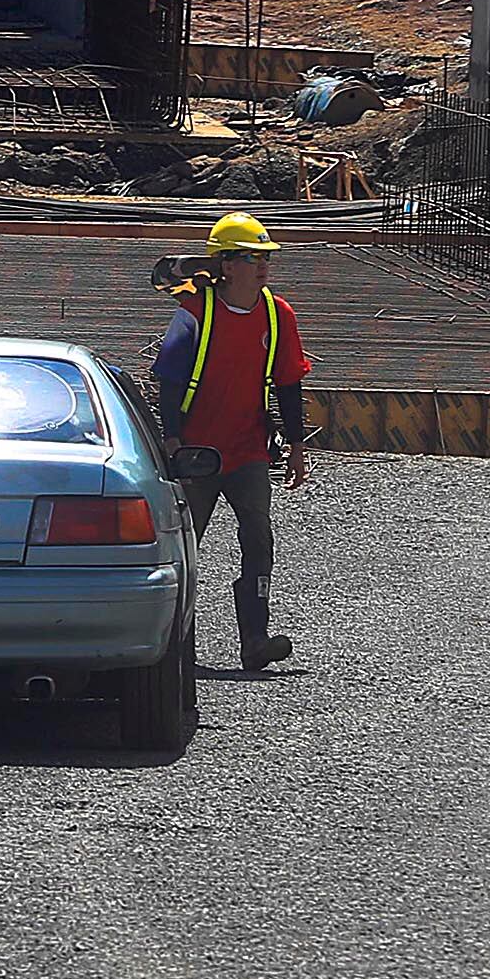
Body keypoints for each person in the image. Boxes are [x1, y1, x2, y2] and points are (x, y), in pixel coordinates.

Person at [149, 211, 314, 672]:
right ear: (225, 263)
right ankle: (179, 648)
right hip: (197, 454)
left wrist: (297, 446)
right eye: (249, 257)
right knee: (185, 548)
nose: (262, 265)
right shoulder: (195, 310)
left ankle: (255, 640)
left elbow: (288, 384)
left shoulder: (278, 314)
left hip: (248, 451)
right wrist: (173, 440)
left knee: (258, 539)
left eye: (264, 256)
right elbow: (170, 377)